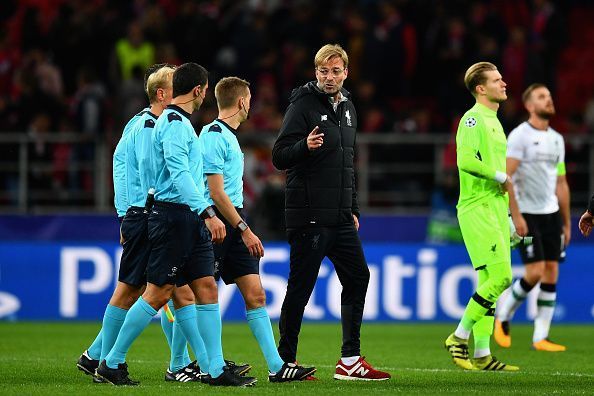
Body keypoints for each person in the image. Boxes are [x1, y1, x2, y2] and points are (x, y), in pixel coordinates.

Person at [96, 62, 256, 387]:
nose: (205, 96)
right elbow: (179, 174)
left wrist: (202, 212)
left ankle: (213, 369)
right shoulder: (171, 123)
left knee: (205, 288)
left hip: (188, 218)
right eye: (205, 90)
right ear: (198, 91)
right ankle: (110, 362)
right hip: (172, 217)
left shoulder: (181, 123)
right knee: (158, 292)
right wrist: (208, 213)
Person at [271, 44, 390, 381]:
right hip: (308, 214)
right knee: (300, 289)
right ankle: (284, 362)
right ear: (316, 71)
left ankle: (349, 360)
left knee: (359, 277)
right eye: (323, 71)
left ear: (345, 72)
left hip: (339, 217)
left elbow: (346, 165)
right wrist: (303, 148)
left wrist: (351, 208)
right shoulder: (302, 104)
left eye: (335, 71)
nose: (329, 77)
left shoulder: (349, 107)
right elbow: (279, 155)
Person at [76, 63, 199, 383]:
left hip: (144, 215)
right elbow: (148, 175)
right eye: (176, 86)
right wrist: (135, 214)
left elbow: (121, 166)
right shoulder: (147, 127)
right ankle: (173, 363)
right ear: (162, 94)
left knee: (159, 290)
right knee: (150, 290)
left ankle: (98, 355)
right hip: (149, 215)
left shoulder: (145, 123)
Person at [199, 76, 317, 382]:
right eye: (249, 100)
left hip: (234, 220)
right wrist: (243, 228)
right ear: (241, 102)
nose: (250, 105)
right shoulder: (213, 134)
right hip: (218, 222)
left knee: (256, 294)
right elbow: (215, 192)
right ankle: (200, 364)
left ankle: (277, 367)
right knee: (198, 293)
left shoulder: (228, 136)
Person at [444, 61, 519, 371]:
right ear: (481, 88)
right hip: (477, 206)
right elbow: (464, 161)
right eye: (497, 79)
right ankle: (458, 338)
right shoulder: (473, 119)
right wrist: (501, 176)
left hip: (495, 208)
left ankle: (482, 354)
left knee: (489, 280)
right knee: (502, 277)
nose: (504, 83)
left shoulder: (495, 121)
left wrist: (510, 217)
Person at [494, 84, 570, 352]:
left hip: (551, 215)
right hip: (526, 214)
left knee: (551, 272)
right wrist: (514, 214)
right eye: (541, 97)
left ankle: (541, 336)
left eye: (549, 96)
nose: (548, 100)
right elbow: (507, 176)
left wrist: (567, 221)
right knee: (535, 272)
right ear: (529, 105)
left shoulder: (557, 139)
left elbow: (561, 182)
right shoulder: (519, 137)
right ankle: (503, 314)